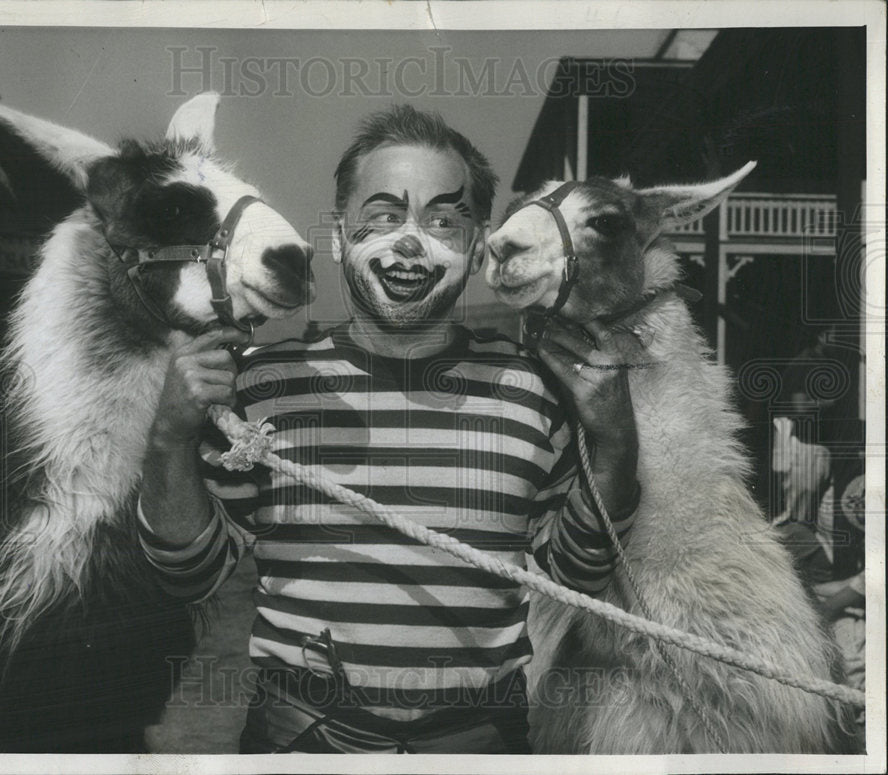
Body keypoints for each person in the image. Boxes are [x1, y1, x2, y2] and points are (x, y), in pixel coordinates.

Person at [138, 105, 641, 754]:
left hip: (478, 746)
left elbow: (577, 573)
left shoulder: (537, 392)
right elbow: (188, 574)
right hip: (302, 743)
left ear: (476, 246)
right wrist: (168, 436)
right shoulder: (259, 385)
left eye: (442, 220)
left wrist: (615, 443)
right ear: (340, 236)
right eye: (382, 216)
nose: (410, 241)